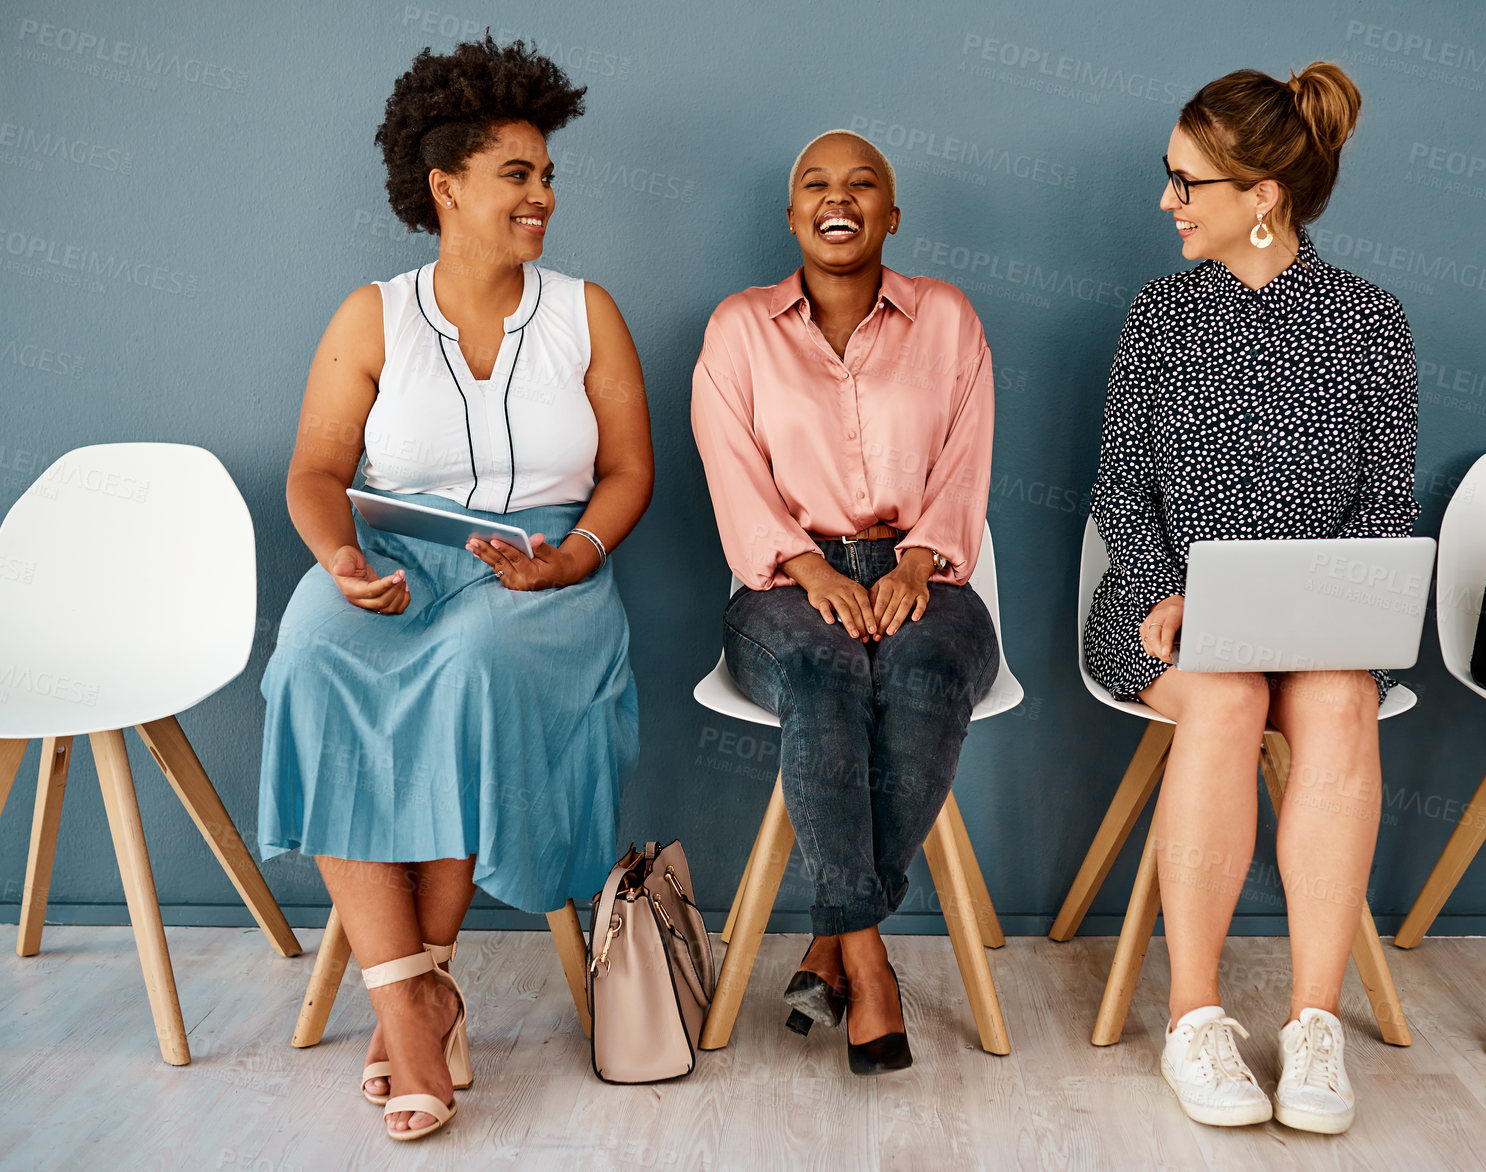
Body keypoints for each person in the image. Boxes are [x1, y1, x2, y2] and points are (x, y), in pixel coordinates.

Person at [257, 36, 651, 1141]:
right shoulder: (372, 314)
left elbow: (627, 470)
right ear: (446, 187)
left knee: (478, 666)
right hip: (390, 555)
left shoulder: (586, 312)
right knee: (313, 659)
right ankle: (414, 991)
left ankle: (414, 1001)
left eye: (545, 175)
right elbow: (315, 470)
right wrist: (340, 559)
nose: (543, 196)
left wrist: (572, 555)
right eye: (517, 174)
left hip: (543, 571)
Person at [1083, 62, 1418, 1135]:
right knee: (1226, 699)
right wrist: (1160, 590)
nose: (1167, 201)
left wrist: (1327, 616)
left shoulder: (1370, 321)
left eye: (1187, 182)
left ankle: (1315, 1022)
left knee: (1339, 702)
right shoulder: (1159, 316)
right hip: (1162, 616)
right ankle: (1194, 1017)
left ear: (1260, 193)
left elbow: (1384, 501)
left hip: (1317, 626)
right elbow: (1119, 486)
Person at [691, 129, 997, 1075]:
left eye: (863, 184)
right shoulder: (738, 327)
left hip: (924, 573)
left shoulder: (948, 319)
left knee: (928, 672)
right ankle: (865, 958)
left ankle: (831, 940)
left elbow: (964, 465)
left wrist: (917, 564)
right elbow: (732, 473)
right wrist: (812, 570)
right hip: (783, 585)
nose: (839, 197)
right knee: (824, 675)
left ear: (890, 217)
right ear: (791, 218)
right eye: (817, 185)